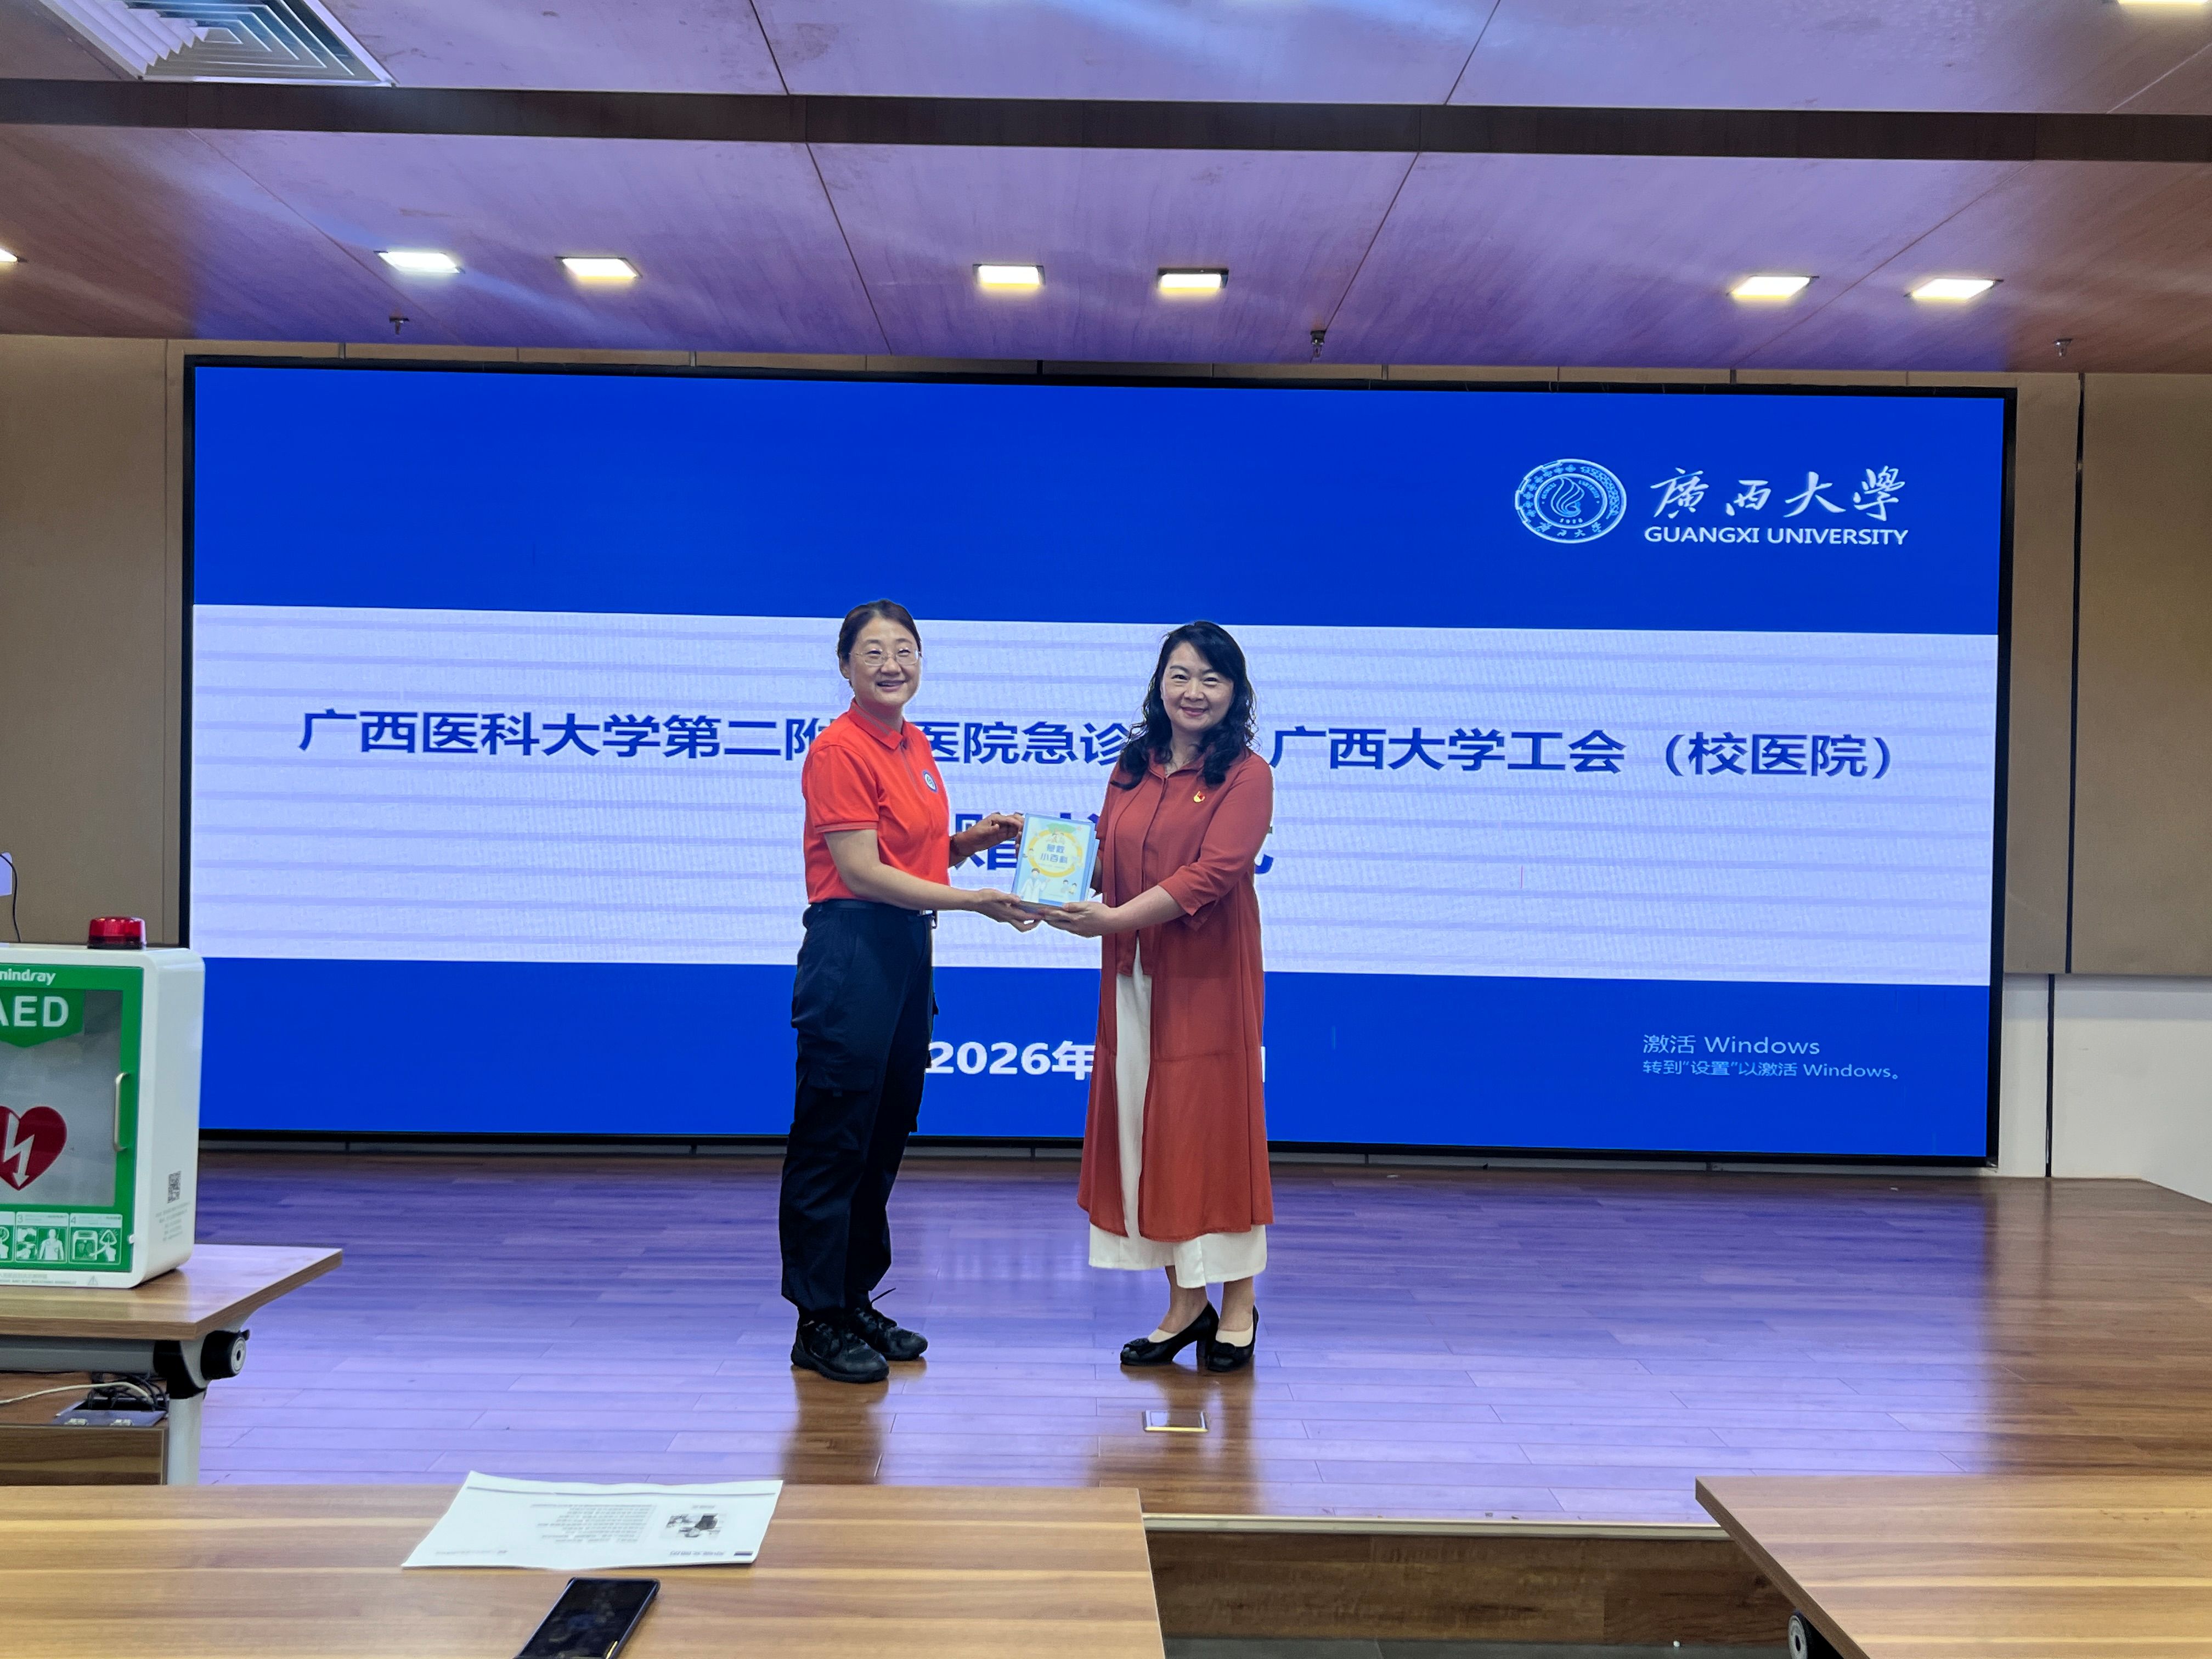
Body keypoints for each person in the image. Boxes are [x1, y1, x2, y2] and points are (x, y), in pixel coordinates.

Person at [784, 599, 1034, 1385]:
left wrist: (971, 843)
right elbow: (860, 872)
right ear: (845, 667)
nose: (891, 665)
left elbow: (909, 855)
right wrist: (974, 900)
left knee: (884, 1132)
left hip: (905, 950)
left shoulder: (913, 744)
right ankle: (817, 1320)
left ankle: (854, 1298)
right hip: (852, 949)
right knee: (835, 1138)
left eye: (905, 650)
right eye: (873, 652)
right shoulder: (839, 749)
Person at [1041, 621, 1273, 1372]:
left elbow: (1213, 874)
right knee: (1147, 1134)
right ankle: (1185, 1303)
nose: (1193, 692)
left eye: (1211, 678)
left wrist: (1113, 919)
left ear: (1235, 691)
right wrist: (1044, 856)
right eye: (1180, 675)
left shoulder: (1247, 774)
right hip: (1133, 974)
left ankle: (1238, 1306)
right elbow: (1113, 861)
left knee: (1212, 1135)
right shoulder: (1132, 765)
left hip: (1207, 981)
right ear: (1159, 684)